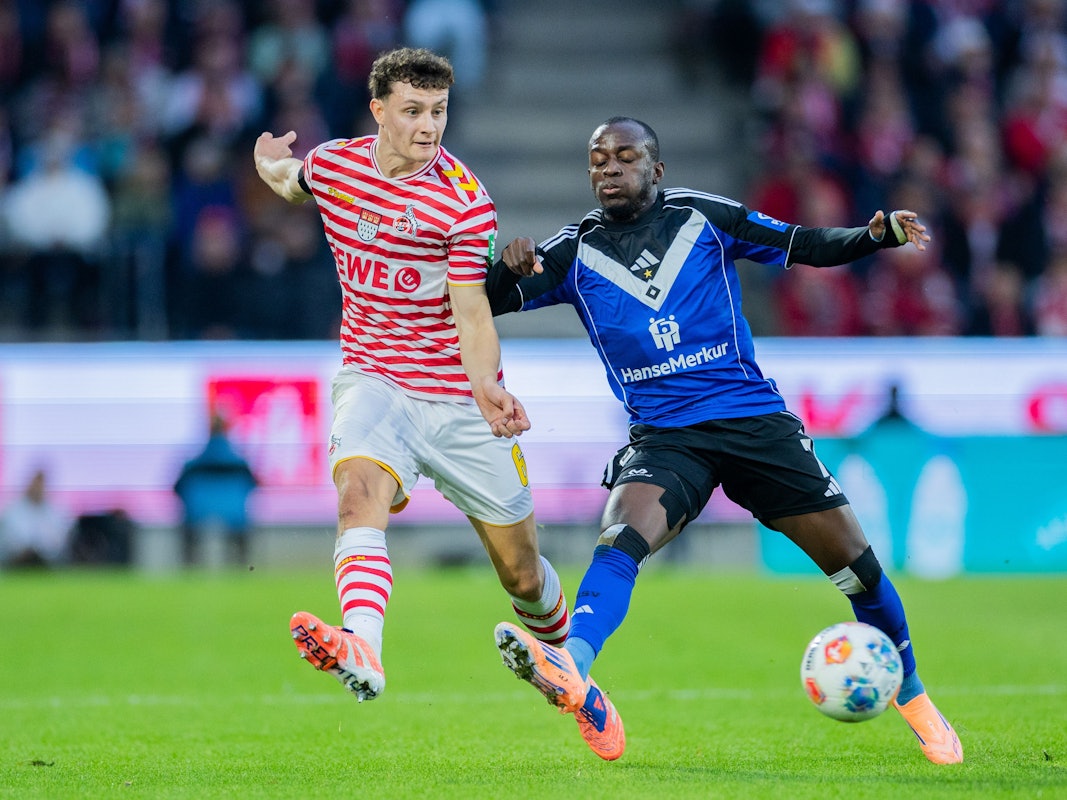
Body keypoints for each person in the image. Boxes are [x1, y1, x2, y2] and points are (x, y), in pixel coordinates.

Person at [485, 117, 963, 765]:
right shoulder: (571, 251)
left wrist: (870, 236)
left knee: (856, 567)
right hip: (665, 438)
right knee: (619, 537)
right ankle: (571, 667)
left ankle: (912, 696)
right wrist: (500, 269)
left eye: (625, 157)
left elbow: (800, 243)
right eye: (597, 159)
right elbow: (481, 301)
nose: (608, 169)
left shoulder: (703, 217)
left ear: (655, 169)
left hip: (751, 423)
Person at [251, 46, 589, 749]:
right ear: (378, 111)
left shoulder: (462, 202)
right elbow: (291, 180)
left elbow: (471, 313)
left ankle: (579, 680)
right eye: (412, 112)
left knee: (522, 574)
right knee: (357, 496)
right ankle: (363, 647)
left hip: (455, 399)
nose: (428, 126)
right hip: (373, 379)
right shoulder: (340, 166)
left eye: (437, 112)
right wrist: (265, 156)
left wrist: (488, 387)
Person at [173, 413, 259, 565]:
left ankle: (190, 569)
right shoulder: (240, 463)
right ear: (227, 430)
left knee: (189, 537)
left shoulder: (193, 464)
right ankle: (240, 568)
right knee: (240, 537)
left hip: (197, 511)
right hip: (235, 512)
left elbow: (177, 488)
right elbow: (253, 485)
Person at [0, 468, 73, 569]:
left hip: (47, 562)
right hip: (15, 561)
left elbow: (58, 540)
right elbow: (9, 539)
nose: (37, 487)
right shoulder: (12, 510)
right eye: (35, 483)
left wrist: (41, 549)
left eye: (41, 484)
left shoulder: (55, 511)